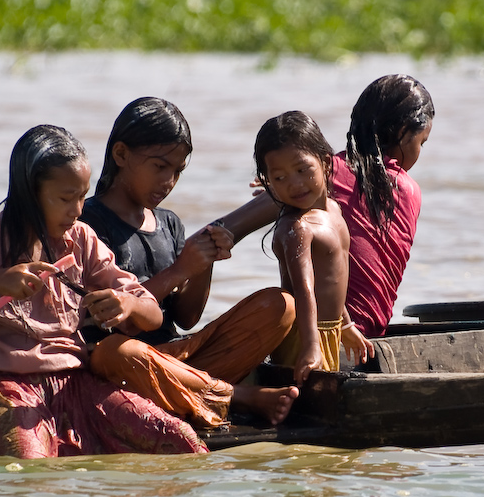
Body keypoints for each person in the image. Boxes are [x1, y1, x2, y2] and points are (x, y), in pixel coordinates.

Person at [0, 124, 207, 459]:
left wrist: (125, 304)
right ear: (30, 193)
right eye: (64, 198)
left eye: (82, 197)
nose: (76, 211)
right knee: (34, 473)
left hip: (79, 385)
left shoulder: (81, 238)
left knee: (184, 445)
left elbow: (153, 314)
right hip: (9, 389)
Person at [80, 97, 299, 428]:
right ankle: (237, 396)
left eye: (178, 171)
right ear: (121, 154)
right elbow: (119, 324)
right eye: (159, 167)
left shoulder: (168, 223)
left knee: (281, 306)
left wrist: (203, 261)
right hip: (125, 365)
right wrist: (180, 269)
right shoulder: (87, 222)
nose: (168, 181)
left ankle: (190, 390)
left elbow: (185, 317)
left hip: (176, 359)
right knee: (116, 352)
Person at [221, 74, 434, 366]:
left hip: (334, 334)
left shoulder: (318, 176)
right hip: (366, 339)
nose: (419, 153)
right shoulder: (407, 189)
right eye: (422, 142)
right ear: (403, 131)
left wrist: (277, 187)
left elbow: (224, 231)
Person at [253, 111, 353, 386]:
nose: (294, 184)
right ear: (267, 180)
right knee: (303, 398)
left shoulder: (334, 210)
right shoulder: (297, 228)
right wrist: (311, 345)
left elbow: (331, 278)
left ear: (325, 162)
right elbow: (304, 291)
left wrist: (346, 325)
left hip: (327, 330)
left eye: (301, 169)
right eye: (280, 178)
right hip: (303, 334)